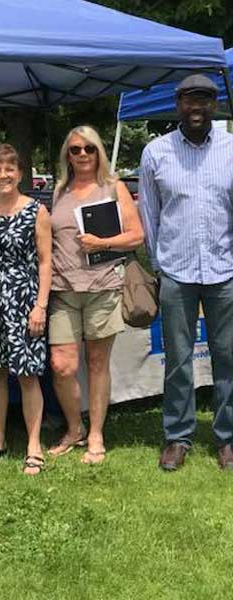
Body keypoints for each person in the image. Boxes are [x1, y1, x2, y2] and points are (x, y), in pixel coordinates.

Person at [139, 74, 233, 471]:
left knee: (228, 357)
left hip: (225, 271)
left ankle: (227, 439)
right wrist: (159, 266)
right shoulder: (156, 152)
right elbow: (149, 215)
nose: (196, 107)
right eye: (189, 101)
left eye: (205, 100)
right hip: (176, 272)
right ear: (176, 104)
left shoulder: (232, 148)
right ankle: (178, 436)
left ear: (215, 104)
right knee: (177, 360)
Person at [48, 125, 144, 465]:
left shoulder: (113, 188)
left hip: (103, 287)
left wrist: (102, 243)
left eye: (89, 148)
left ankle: (97, 434)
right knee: (62, 366)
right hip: (63, 291)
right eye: (75, 149)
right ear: (67, 155)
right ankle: (74, 428)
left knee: (98, 363)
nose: (83, 155)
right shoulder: (59, 190)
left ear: (99, 152)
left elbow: (136, 236)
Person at [0, 144, 52, 475]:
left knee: (27, 374)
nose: (2, 175)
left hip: (24, 299)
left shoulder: (36, 211)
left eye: (8, 168)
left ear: (19, 172)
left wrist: (40, 306)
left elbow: (46, 263)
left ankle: (33, 445)